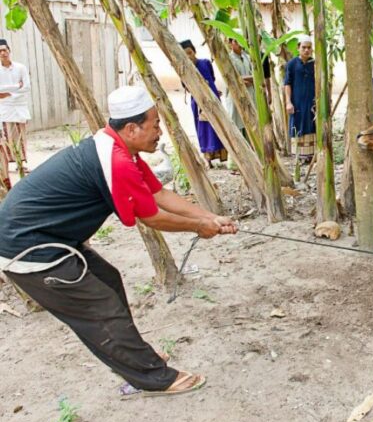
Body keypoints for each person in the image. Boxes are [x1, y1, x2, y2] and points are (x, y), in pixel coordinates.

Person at [0, 86, 237, 396]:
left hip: (49, 238)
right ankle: (153, 377)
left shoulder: (117, 147)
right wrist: (198, 227)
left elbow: (159, 194)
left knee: (108, 281)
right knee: (101, 310)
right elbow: (151, 217)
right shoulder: (117, 162)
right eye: (155, 125)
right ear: (132, 128)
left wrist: (209, 218)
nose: (159, 132)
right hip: (28, 249)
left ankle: (131, 357)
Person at [180, 40, 228, 167]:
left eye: (190, 53)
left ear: (194, 51)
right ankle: (208, 159)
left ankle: (221, 154)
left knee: (218, 127)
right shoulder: (184, 70)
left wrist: (212, 90)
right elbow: (186, 86)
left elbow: (212, 79)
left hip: (213, 100)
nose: (189, 56)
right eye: (186, 55)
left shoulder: (205, 63)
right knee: (203, 130)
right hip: (199, 104)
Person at [225, 36, 272, 139]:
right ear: (230, 43)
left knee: (252, 123)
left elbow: (259, 77)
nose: (238, 43)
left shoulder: (247, 56)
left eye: (240, 40)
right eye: (235, 40)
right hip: (236, 96)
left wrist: (246, 79)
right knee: (237, 124)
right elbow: (233, 79)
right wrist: (245, 79)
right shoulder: (228, 58)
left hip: (251, 94)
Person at [0, 38, 31, 190]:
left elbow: (26, 87)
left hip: (19, 108)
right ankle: (8, 176)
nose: (3, 53)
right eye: (0, 51)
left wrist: (8, 93)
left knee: (21, 140)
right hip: (4, 111)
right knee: (7, 141)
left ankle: (21, 167)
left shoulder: (20, 68)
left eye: (5, 50)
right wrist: (15, 87)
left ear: (9, 51)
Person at [284, 35, 316, 163]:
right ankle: (298, 156)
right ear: (298, 48)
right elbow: (287, 84)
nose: (306, 50)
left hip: (311, 102)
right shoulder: (291, 64)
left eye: (309, 48)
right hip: (296, 101)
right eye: (304, 47)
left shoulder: (314, 64)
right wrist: (288, 102)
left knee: (310, 124)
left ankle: (310, 155)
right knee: (297, 124)